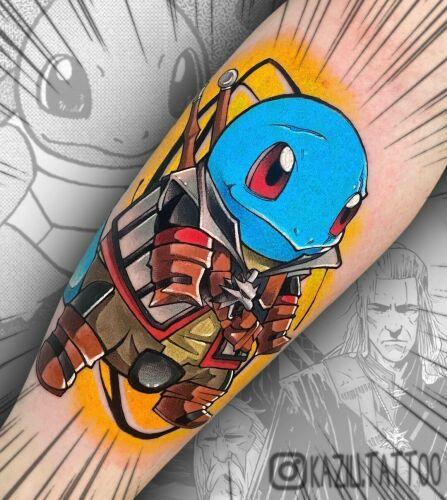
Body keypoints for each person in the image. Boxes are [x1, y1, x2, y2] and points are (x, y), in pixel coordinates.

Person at [0, 1, 445, 497]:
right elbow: (384, 63)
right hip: (143, 301)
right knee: (106, 313)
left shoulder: (291, 266)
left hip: (198, 342)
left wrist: (260, 322)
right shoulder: (194, 201)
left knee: (207, 367)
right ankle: (76, 348)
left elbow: (396, 76)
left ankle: (178, 393)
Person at [279, 245, 447, 498]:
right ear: (362, 310)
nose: (394, 326)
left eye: (407, 310)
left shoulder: (440, 391)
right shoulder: (309, 389)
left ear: (421, 312)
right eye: (380, 309)